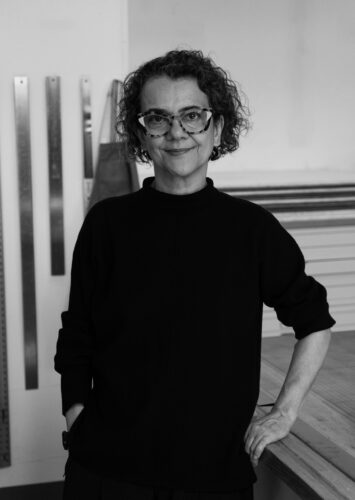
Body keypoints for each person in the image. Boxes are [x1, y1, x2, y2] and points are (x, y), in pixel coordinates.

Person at [54, 49, 335, 500]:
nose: (177, 132)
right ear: (141, 133)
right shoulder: (107, 224)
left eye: (192, 115)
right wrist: (76, 411)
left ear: (217, 126)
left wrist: (284, 412)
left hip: (213, 477)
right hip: (108, 472)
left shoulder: (252, 229)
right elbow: (78, 333)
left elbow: (315, 320)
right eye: (158, 118)